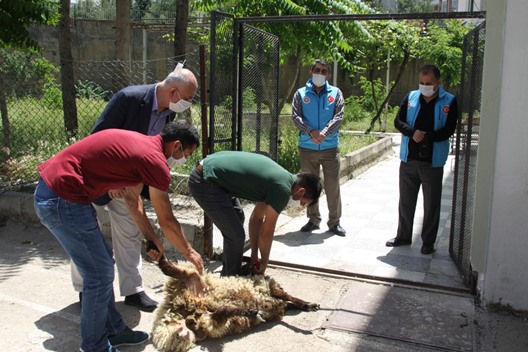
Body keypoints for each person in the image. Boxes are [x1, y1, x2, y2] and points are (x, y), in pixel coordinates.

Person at [34, 121, 204, 352]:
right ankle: (94, 347)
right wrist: (189, 252)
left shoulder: (143, 148)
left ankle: (115, 331)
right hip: (61, 198)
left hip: (62, 194)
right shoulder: (155, 161)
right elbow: (167, 219)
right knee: (99, 273)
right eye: (186, 153)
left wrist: (150, 238)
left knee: (102, 263)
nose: (184, 158)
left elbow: (132, 200)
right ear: (175, 146)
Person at [71, 66, 197, 312]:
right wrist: (112, 180)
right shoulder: (129, 98)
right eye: (188, 98)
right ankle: (85, 290)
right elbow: (98, 137)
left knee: (129, 231)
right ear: (173, 92)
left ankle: (133, 289)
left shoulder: (169, 113)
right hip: (97, 179)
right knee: (88, 234)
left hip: (130, 183)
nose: (189, 103)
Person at [188, 151, 322, 276]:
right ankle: (230, 280)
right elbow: (266, 233)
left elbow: (257, 218)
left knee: (238, 217)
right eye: (303, 203)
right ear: (300, 192)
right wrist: (264, 262)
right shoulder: (282, 190)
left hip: (212, 174)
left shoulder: (280, 180)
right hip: (205, 179)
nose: (300, 206)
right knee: (236, 235)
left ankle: (230, 270)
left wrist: (254, 256)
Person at [385, 64, 458, 255]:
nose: (424, 86)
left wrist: (427, 137)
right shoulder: (411, 97)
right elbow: (398, 121)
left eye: (429, 83)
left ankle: (427, 242)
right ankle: (403, 236)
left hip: (432, 162)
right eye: (421, 83)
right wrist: (413, 133)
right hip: (409, 159)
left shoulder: (449, 101)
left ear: (438, 82)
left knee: (431, 204)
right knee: (406, 201)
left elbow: (449, 129)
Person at [292, 59, 346, 236]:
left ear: (328, 75)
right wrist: (311, 132)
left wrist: (323, 133)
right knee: (308, 187)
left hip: (330, 148)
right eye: (317, 70)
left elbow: (338, 117)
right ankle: (313, 220)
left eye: (324, 71)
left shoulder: (336, 93)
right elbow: (296, 116)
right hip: (307, 149)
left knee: (332, 186)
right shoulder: (300, 94)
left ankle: (334, 223)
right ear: (311, 71)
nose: (320, 74)